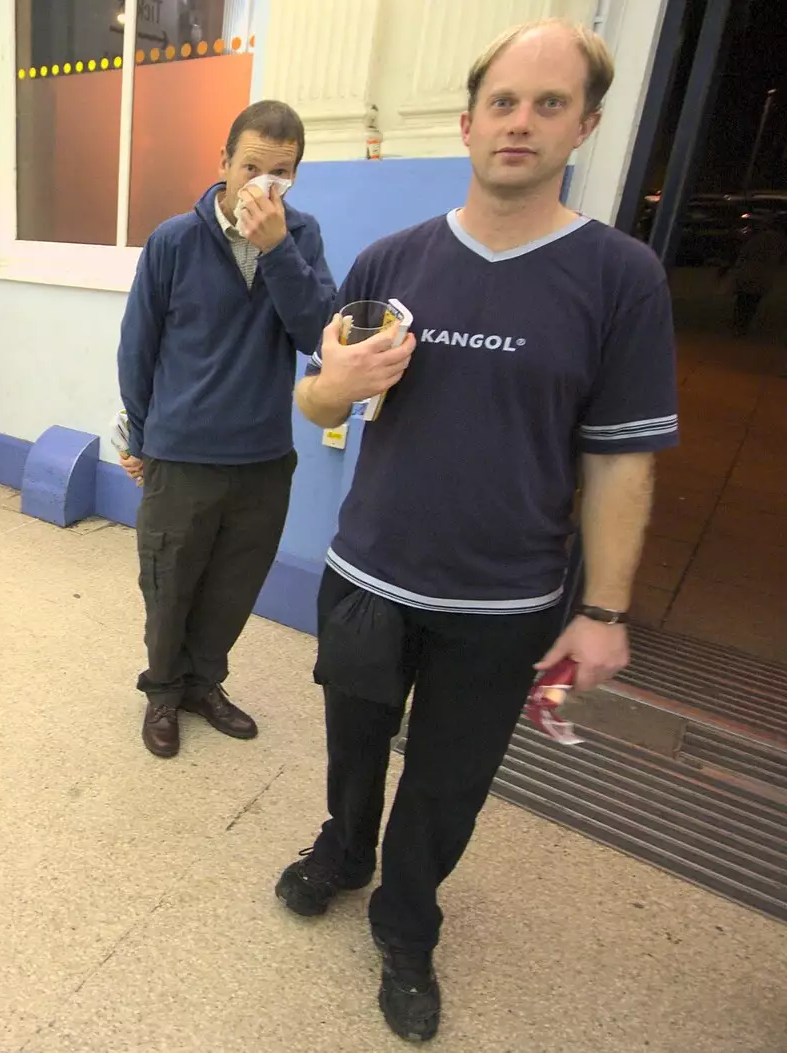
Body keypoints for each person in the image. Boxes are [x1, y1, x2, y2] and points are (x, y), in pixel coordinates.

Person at [275, 20, 678, 1042]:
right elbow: (319, 409)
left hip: (501, 604)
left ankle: (408, 926)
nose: (520, 122)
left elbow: (620, 460)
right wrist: (335, 385)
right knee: (353, 743)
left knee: (449, 782)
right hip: (369, 575)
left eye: (549, 105)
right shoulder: (389, 259)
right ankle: (343, 849)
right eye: (503, 102)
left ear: (583, 127)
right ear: (465, 123)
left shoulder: (619, 278)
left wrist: (602, 610)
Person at [117, 101, 336, 759]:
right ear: (223, 163)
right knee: (169, 581)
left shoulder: (302, 237)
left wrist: (278, 251)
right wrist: (139, 437)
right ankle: (162, 689)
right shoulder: (173, 241)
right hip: (181, 453)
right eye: (251, 167)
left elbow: (315, 332)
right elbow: (139, 347)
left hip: (263, 456)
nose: (263, 186)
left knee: (233, 584)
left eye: (281, 173)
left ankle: (203, 683)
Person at [730, 215, 785, 337]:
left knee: (743, 298)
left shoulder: (757, 238)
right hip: (764, 272)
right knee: (753, 299)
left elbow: (744, 253)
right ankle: (743, 324)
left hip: (750, 270)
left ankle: (739, 323)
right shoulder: (778, 239)